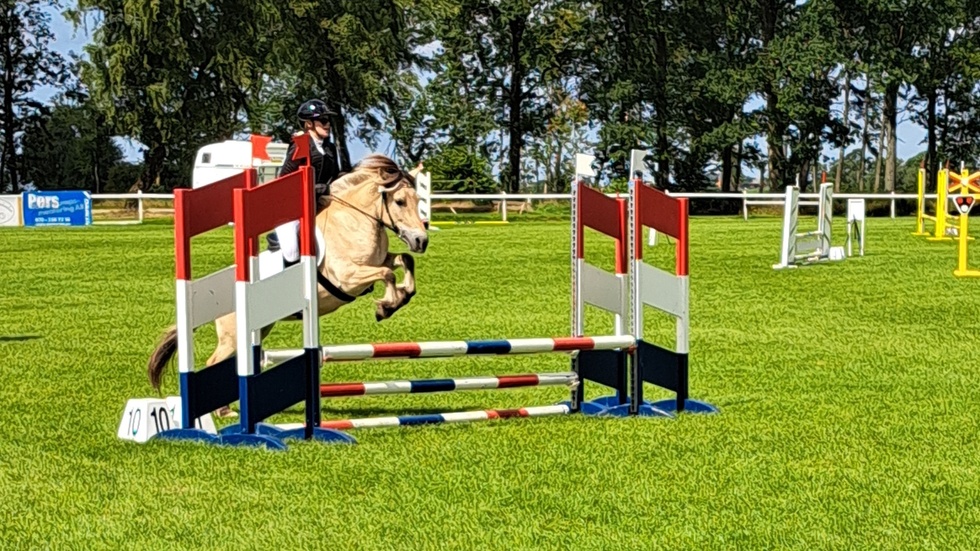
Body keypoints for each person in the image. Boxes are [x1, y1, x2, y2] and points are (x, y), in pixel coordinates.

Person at [267, 98, 342, 264]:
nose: (328, 124)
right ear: (309, 124)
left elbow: (335, 175)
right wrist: (317, 188)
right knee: (292, 252)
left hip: (319, 203)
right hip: (293, 208)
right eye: (323, 120)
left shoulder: (330, 148)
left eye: (328, 120)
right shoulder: (300, 145)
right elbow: (285, 180)